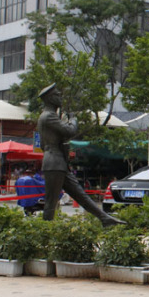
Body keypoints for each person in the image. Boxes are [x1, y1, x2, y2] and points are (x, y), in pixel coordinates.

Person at [37, 83, 122, 227]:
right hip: (54, 162)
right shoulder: (49, 116)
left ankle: (105, 218)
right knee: (51, 202)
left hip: (58, 162)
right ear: (50, 99)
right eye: (57, 95)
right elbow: (70, 131)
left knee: (79, 194)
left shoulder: (47, 116)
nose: (60, 97)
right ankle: (44, 231)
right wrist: (73, 120)